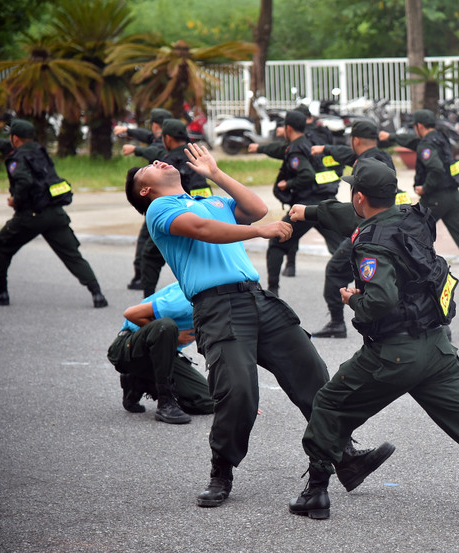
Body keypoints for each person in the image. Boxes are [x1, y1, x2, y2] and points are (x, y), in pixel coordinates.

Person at [125, 144, 393, 508]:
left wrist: (216, 174)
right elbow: (203, 229)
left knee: (312, 374)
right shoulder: (160, 208)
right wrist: (259, 233)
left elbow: (256, 209)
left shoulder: (209, 199)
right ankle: (221, 472)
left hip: (257, 298)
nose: (157, 162)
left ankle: (344, 456)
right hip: (218, 306)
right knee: (238, 392)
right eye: (148, 168)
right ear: (145, 190)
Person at [288, 159, 459, 533]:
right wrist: (311, 211)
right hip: (438, 350)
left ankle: (316, 493)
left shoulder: (371, 246)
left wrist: (350, 300)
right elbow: (358, 218)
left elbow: (379, 300)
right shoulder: (411, 217)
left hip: (394, 354)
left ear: (360, 196)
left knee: (328, 402)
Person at [0, 119, 107, 308]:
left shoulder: (17, 158)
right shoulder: (38, 151)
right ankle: (97, 294)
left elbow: (24, 182)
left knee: (0, 246)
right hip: (55, 213)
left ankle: (1, 293)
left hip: (31, 215)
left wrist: (15, 199)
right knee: (72, 255)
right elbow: (9, 147)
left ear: (15, 138)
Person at [305, 120, 403, 338]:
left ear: (355, 140)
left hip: (369, 229)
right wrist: (326, 149)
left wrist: (312, 211)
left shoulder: (368, 163)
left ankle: (337, 323)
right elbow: (347, 155)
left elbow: (354, 209)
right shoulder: (378, 157)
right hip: (384, 225)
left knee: (335, 270)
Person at [248, 110, 343, 296]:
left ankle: (272, 292)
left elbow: (306, 174)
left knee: (276, 242)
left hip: (307, 207)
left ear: (288, 128)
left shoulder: (296, 150)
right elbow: (279, 150)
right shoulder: (308, 143)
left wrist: (288, 184)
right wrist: (260, 149)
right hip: (326, 202)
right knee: (343, 248)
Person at [379, 109, 459, 272]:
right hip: (453, 196)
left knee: (414, 232)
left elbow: (436, 169)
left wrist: (425, 187)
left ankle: (417, 270)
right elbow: (412, 140)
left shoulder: (426, 144)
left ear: (419, 126)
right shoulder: (441, 138)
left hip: (435, 198)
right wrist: (390, 137)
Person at [107, 282, 214, 423]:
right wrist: (175, 338)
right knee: (166, 326)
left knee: (208, 401)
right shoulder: (189, 298)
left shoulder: (221, 307)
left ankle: (140, 381)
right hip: (127, 348)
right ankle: (165, 403)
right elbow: (130, 313)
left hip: (163, 357)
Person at [136, 118, 214, 297]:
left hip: (175, 217)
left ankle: (148, 300)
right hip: (202, 214)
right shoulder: (194, 155)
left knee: (149, 255)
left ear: (167, 139)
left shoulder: (167, 161)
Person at [114, 107, 172, 291]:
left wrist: (136, 150)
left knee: (148, 244)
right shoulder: (167, 136)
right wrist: (128, 131)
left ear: (157, 125)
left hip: (164, 203)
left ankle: (142, 281)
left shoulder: (167, 143)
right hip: (166, 201)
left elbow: (156, 151)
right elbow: (147, 136)